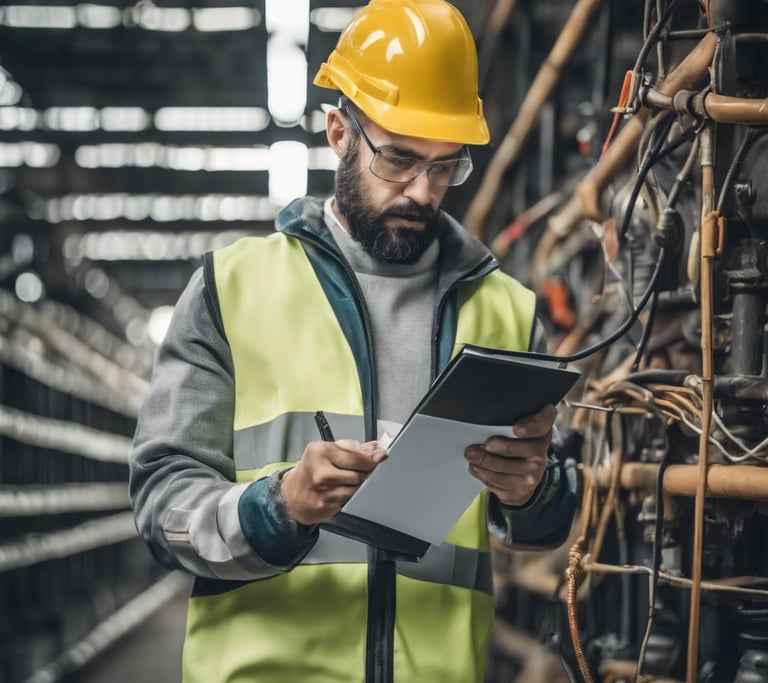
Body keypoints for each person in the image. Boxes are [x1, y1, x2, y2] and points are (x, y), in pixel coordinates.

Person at [129, 1, 577, 681]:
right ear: (339, 131)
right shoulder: (233, 288)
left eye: (445, 167)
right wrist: (275, 507)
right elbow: (163, 503)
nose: (423, 192)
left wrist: (531, 489)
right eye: (398, 158)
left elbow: (551, 517)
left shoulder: (507, 313)